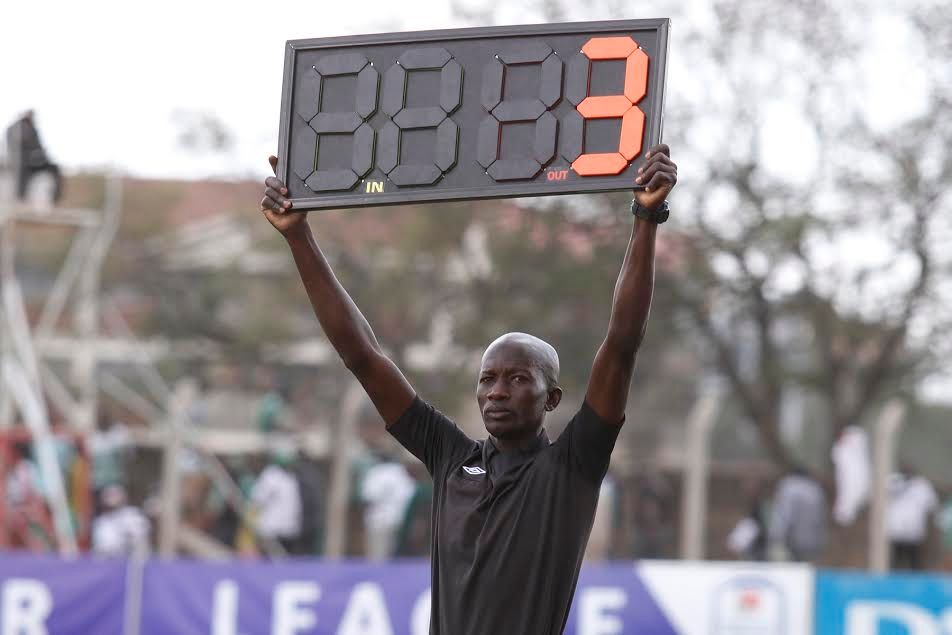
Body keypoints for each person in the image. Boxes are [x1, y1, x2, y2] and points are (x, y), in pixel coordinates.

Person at [260, 144, 677, 635]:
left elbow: (621, 343)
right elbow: (362, 355)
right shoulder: (449, 456)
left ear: (552, 399)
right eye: (488, 379)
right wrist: (298, 236)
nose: (497, 392)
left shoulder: (572, 466)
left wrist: (645, 217)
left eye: (518, 379)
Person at [250, 445, 302, 555]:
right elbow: (257, 499)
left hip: (289, 529)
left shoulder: (291, 476)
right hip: (272, 529)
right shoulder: (270, 476)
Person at [769, 465, 827, 562]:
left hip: (790, 542)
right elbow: (820, 520)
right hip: (812, 543)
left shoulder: (789, 487)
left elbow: (784, 514)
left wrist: (776, 537)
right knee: (806, 572)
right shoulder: (815, 489)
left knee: (786, 572)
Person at [5, 110, 63, 204]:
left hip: (34, 161)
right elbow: (15, 147)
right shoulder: (17, 127)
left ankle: (55, 200)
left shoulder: (32, 128)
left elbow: (39, 146)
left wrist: (42, 155)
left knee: (54, 168)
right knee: (21, 169)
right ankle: (20, 198)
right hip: (21, 162)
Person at [887, 465, 938, 571]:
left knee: (914, 562)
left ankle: (916, 585)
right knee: (892, 562)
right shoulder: (891, 481)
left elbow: (932, 506)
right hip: (894, 532)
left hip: (913, 532)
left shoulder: (922, 486)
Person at [92, 485, 150, 557]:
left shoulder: (133, 515)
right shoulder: (101, 521)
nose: (111, 499)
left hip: (127, 560)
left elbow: (141, 543)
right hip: (107, 562)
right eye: (108, 496)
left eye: (114, 495)